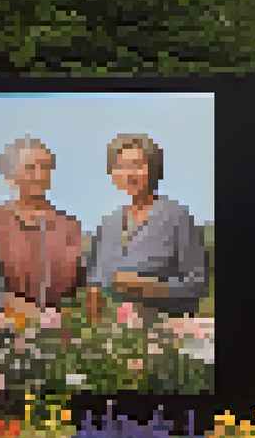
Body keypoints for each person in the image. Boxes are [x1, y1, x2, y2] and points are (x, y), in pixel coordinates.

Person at [84, 134, 209, 324]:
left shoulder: (176, 216)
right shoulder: (108, 224)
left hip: (164, 334)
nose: (130, 173)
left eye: (137, 165)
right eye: (121, 167)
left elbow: (198, 283)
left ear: (154, 170)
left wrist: (147, 286)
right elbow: (95, 286)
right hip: (113, 338)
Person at [0, 137, 85, 323]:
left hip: (63, 332)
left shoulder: (69, 226)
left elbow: (81, 288)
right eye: (30, 168)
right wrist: (34, 316)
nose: (39, 175)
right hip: (6, 333)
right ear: (10, 175)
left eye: (45, 167)